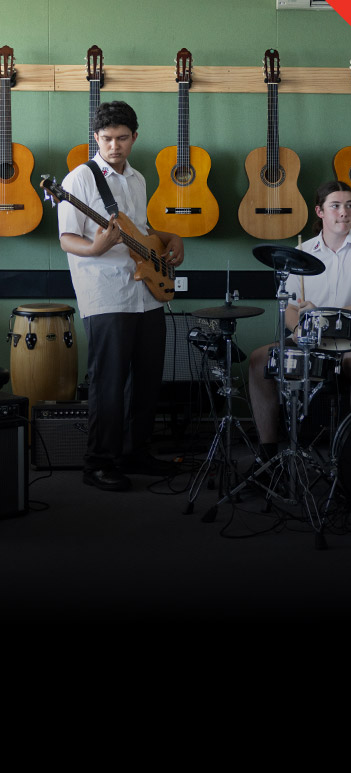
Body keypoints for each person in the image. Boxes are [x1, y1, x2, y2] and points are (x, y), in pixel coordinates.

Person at [58, 101, 184, 491]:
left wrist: (170, 238)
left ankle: (136, 452)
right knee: (108, 381)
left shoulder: (138, 178)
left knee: (147, 378)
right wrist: (95, 248)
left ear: (134, 137)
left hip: (145, 291)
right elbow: (67, 238)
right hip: (106, 292)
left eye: (122, 138)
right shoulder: (79, 179)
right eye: (107, 138)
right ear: (96, 138)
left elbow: (142, 231)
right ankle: (98, 462)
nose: (115, 146)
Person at [248, 180, 351, 459]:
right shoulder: (301, 252)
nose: (344, 212)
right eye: (336, 206)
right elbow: (290, 308)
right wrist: (301, 326)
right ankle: (266, 453)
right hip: (309, 340)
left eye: (350, 205)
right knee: (259, 360)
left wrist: (323, 318)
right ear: (320, 211)